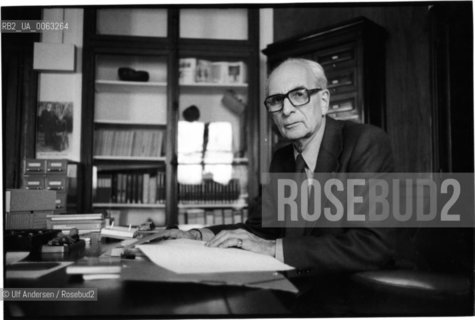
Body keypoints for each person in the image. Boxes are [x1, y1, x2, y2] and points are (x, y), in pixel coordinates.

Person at [159, 58, 400, 273]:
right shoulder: (282, 159)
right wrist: (196, 235)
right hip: (298, 284)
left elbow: (374, 245)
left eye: (298, 95)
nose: (286, 110)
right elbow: (259, 230)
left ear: (324, 101)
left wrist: (273, 248)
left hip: (358, 293)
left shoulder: (365, 142)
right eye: (276, 100)